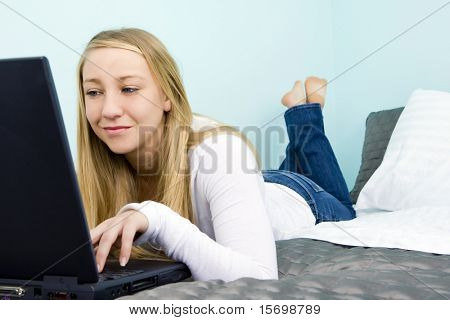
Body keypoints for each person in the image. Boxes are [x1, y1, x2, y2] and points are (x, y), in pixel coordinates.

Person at [79, 28, 355, 282]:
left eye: (129, 89)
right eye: (94, 92)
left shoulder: (222, 152)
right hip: (254, 183)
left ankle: (305, 108)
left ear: (167, 97)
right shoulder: (96, 166)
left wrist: (159, 219)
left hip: (300, 197)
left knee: (343, 203)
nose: (108, 110)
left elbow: (259, 279)